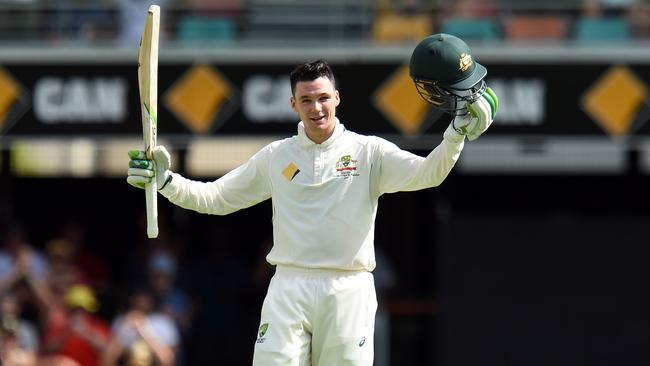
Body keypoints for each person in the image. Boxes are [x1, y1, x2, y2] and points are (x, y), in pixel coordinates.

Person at [126, 34, 497, 365]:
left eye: (323, 98)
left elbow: (428, 173)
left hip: (348, 287)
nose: (316, 108)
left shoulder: (369, 152)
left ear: (336, 98)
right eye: (307, 100)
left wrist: (455, 137)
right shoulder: (277, 156)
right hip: (290, 285)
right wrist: (165, 181)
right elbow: (216, 198)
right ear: (293, 104)